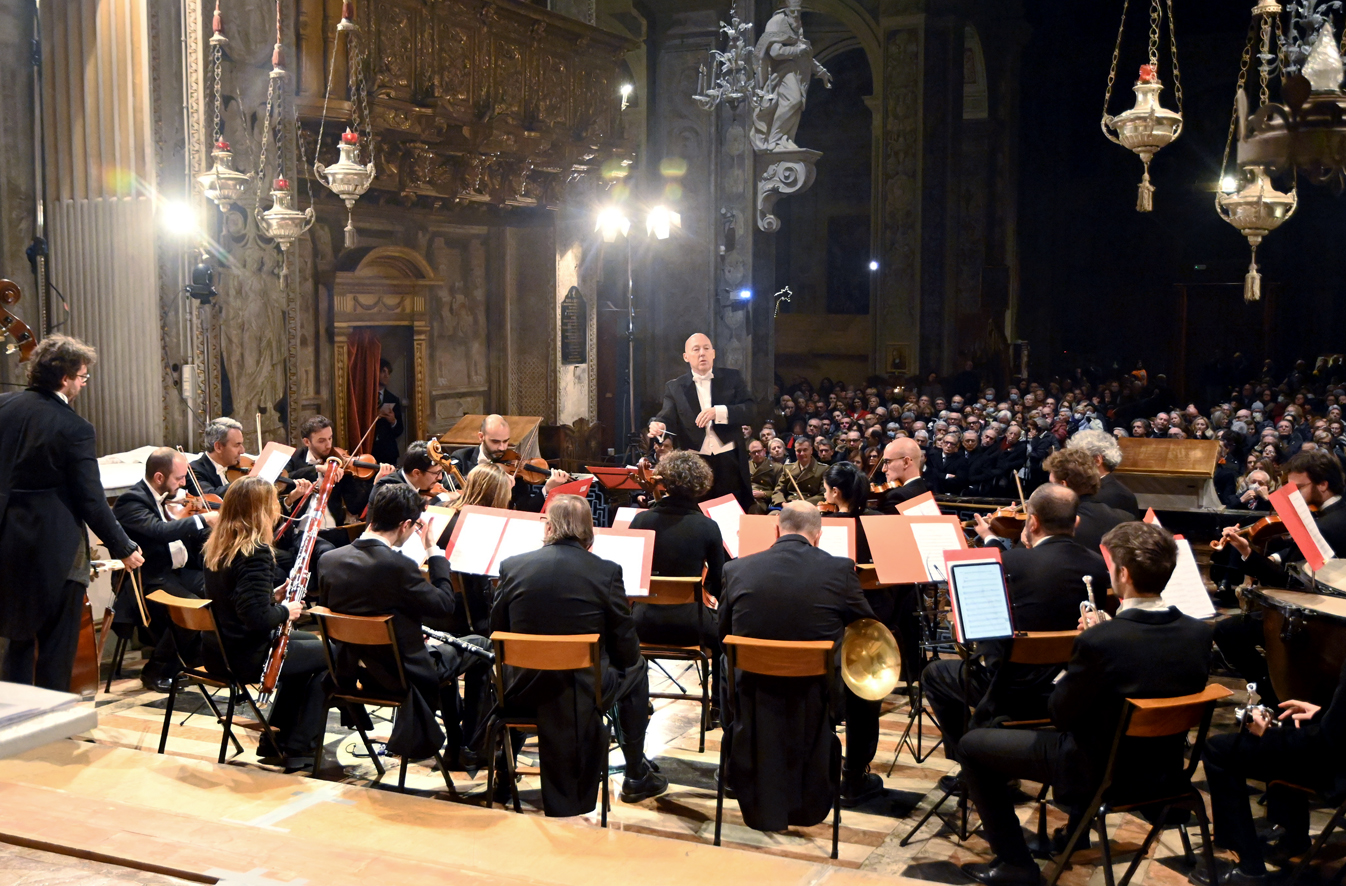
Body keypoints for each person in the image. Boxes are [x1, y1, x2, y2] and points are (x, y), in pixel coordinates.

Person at [957, 523, 1214, 886]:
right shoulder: (1199, 634)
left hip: (1096, 771)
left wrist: (1086, 647)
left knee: (972, 745)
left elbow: (1060, 714)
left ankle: (1014, 863)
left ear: (1123, 574)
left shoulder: (1102, 640)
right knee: (1098, 723)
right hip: (1163, 773)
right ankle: (1075, 833)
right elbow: (1146, 663)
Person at [491, 495, 667, 814]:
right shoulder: (606, 571)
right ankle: (635, 773)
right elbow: (626, 649)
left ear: (548, 527)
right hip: (583, 691)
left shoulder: (512, 566)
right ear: (589, 530)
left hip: (522, 688)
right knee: (637, 668)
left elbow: (497, 629)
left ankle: (504, 773)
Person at [717, 501, 883, 820]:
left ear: (777, 530)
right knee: (868, 681)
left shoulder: (735, 569)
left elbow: (723, 632)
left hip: (752, 692)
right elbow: (869, 632)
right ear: (818, 536)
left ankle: (732, 770)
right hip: (816, 694)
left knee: (727, 665)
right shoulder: (840, 570)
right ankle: (853, 776)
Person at [924, 485, 1106, 767]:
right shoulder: (1097, 566)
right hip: (1068, 689)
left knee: (935, 673)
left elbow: (976, 635)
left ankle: (971, 761)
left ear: (1032, 522)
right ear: (1076, 522)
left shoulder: (1006, 562)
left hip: (1010, 689)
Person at [0, 336, 144, 689]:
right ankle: (51, 723)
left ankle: (11, 721)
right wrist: (123, 547)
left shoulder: (3, 406)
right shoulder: (74, 427)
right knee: (56, 643)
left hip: (6, 539)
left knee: (15, 638)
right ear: (65, 378)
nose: (83, 382)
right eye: (82, 376)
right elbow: (90, 500)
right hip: (55, 547)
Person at [318, 484, 491, 769]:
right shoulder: (397, 566)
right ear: (406, 524)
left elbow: (348, 613)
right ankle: (471, 744)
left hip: (357, 671)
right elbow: (445, 605)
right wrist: (434, 552)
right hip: (403, 675)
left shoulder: (329, 560)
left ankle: (458, 738)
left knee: (444, 647)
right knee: (480, 646)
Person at [202, 477, 327, 769]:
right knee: (331, 655)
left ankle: (278, 740)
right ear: (261, 509)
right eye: (272, 503)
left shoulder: (219, 545)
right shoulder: (254, 551)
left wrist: (270, 596)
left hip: (218, 651)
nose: (277, 509)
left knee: (311, 646)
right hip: (245, 655)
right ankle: (298, 744)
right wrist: (288, 610)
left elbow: (233, 601)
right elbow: (257, 620)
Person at [1214, 450, 1346, 708]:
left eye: (1298, 487)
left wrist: (1246, 551)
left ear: (1323, 484)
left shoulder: (1328, 526)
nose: (1292, 495)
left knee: (1228, 631)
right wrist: (1274, 555)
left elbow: (1286, 581)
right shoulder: (1336, 512)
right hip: (1323, 606)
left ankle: (1276, 696)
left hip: (1317, 620)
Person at [1199, 659, 1346, 885]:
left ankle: (1249, 867)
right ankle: (1293, 839)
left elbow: (1328, 743)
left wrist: (1267, 735)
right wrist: (1322, 716)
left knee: (1218, 750)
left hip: (1337, 769)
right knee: (1289, 724)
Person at [628, 452, 726, 721]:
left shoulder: (641, 520)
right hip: (692, 627)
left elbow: (630, 578)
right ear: (699, 485)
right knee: (724, 636)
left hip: (643, 621)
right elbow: (718, 583)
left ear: (665, 482)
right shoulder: (707, 527)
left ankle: (638, 701)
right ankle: (717, 705)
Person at [112, 447, 217, 692]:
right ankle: (156, 669)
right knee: (190, 607)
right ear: (159, 478)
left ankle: (195, 658)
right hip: (147, 578)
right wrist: (202, 519)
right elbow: (159, 531)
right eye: (179, 478)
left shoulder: (166, 498)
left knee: (218, 587)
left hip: (175, 573)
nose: (183, 484)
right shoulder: (131, 501)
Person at [650, 333, 757, 511]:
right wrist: (659, 425)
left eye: (706, 348)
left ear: (713, 353)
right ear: (686, 357)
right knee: (696, 512)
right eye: (696, 349)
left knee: (731, 513)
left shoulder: (733, 378)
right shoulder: (675, 387)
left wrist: (719, 412)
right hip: (695, 462)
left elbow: (751, 410)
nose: (702, 353)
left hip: (728, 460)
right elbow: (665, 417)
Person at [284, 415, 394, 546]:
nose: (328, 445)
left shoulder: (338, 461)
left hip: (334, 531)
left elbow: (354, 506)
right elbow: (285, 479)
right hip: (302, 532)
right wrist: (318, 469)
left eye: (330, 438)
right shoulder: (295, 457)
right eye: (321, 441)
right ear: (307, 442)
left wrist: (375, 482)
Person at [433, 463, 512, 637]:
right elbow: (480, 587)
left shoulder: (441, 510)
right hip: (467, 617)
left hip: (432, 608)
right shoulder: (480, 525)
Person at [749, 0, 832, 152]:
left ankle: (783, 139)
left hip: (797, 72)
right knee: (794, 101)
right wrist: (797, 51)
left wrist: (820, 72)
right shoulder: (777, 22)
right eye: (794, 11)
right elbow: (775, 52)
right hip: (782, 71)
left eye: (799, 11)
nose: (797, 14)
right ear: (786, 9)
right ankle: (774, 138)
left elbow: (804, 52)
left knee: (796, 105)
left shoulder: (796, 23)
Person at [447, 414, 571, 512]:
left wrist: (547, 489)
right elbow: (447, 483)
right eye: (495, 442)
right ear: (481, 437)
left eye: (505, 441)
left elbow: (525, 509)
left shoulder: (514, 468)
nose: (502, 448)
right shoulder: (462, 457)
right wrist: (489, 472)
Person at [1067, 429, 1139, 517]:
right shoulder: (1095, 489)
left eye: (1077, 459)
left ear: (1097, 460)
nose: (1072, 465)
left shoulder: (1116, 495)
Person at [190, 417, 247, 496]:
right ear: (218, 447)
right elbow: (211, 496)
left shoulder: (235, 465)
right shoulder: (194, 470)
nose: (242, 451)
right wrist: (245, 483)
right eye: (236, 445)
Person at [875, 436, 929, 513]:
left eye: (887, 462)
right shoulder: (924, 489)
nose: (884, 469)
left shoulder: (896, 497)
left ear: (906, 462)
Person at [771, 435, 827, 506]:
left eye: (805, 450)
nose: (802, 453)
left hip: (810, 506)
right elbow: (778, 490)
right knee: (773, 515)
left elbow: (824, 494)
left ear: (811, 450)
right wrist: (783, 504)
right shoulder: (788, 468)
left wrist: (802, 503)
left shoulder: (822, 469)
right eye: (799, 451)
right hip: (789, 505)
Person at [371, 358, 404, 467]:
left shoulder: (393, 399)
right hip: (370, 451)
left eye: (388, 372)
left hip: (388, 452)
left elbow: (399, 430)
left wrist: (393, 421)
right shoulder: (365, 397)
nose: (386, 375)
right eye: (383, 372)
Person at [747, 438, 781, 515]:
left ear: (764, 451)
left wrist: (763, 494)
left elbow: (779, 491)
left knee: (755, 507)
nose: (757, 454)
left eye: (759, 451)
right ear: (750, 454)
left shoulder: (776, 467)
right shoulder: (746, 467)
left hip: (764, 501)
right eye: (754, 452)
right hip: (747, 497)